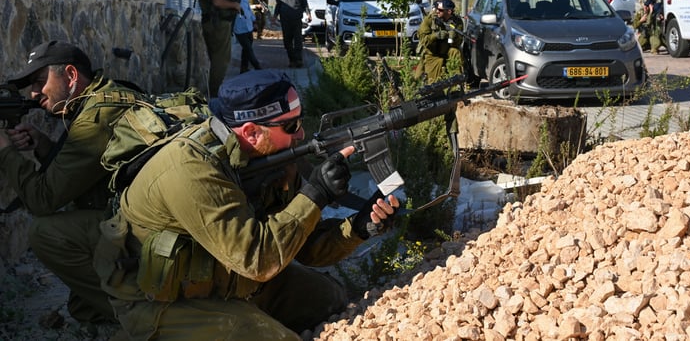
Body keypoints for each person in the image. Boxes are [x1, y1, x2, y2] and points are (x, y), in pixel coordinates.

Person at [95, 69, 400, 339]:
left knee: (330, 298)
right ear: (252, 132)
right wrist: (315, 194)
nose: (302, 134)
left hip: (224, 278)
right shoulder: (189, 168)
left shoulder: (269, 159)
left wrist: (358, 228)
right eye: (291, 127)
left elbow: (303, 244)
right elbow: (258, 260)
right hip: (163, 300)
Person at [0, 40, 147, 324]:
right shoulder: (107, 97)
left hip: (153, 233)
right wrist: (43, 145)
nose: (33, 93)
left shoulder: (96, 118)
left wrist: (5, 151)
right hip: (147, 219)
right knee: (84, 308)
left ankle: (146, 316)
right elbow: (86, 171)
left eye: (40, 81)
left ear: (70, 75)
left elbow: (42, 200)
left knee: (45, 233)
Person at [415, 0, 465, 155]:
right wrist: (436, 35)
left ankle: (457, 84)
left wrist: (452, 35)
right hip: (433, 54)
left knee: (456, 53)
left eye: (440, 10)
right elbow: (423, 40)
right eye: (436, 9)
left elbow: (458, 42)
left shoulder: (456, 21)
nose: (437, 11)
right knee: (435, 86)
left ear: (449, 11)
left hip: (448, 51)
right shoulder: (429, 20)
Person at [199, 0, 241, 97]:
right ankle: (215, 94)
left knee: (215, 58)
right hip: (219, 25)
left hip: (209, 23)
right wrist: (234, 4)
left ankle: (214, 91)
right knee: (220, 60)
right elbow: (217, 1)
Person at [273, 0, 311, 68]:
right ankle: (292, 60)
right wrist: (274, 17)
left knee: (298, 41)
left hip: (296, 20)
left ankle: (299, 60)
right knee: (287, 42)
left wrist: (308, 14)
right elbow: (277, 6)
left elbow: (305, 5)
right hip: (285, 21)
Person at [231, 0, 262, 74]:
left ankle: (243, 68)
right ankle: (258, 68)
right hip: (239, 29)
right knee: (248, 49)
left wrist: (254, 21)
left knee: (246, 50)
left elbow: (249, 10)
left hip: (248, 27)